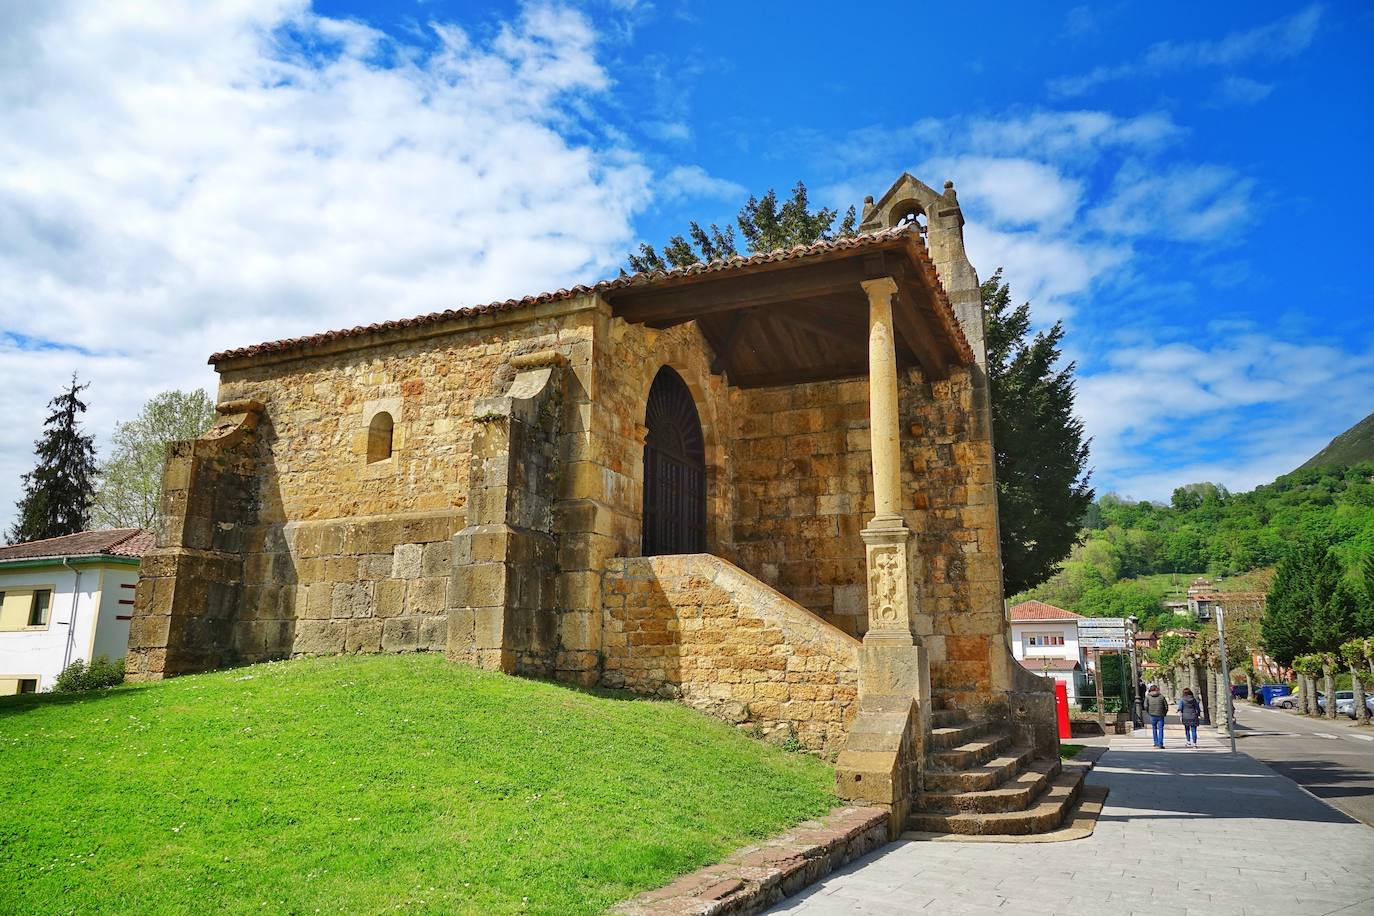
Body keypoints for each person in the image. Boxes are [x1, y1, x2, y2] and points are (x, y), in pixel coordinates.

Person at [1145, 683, 1169, 748]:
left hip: (1152, 714)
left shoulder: (1148, 697)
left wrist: (1149, 712)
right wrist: (1164, 713)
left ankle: (1156, 743)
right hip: (1161, 715)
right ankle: (1160, 743)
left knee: (1154, 728)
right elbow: (1166, 706)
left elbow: (1145, 706)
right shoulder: (1161, 696)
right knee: (1161, 729)